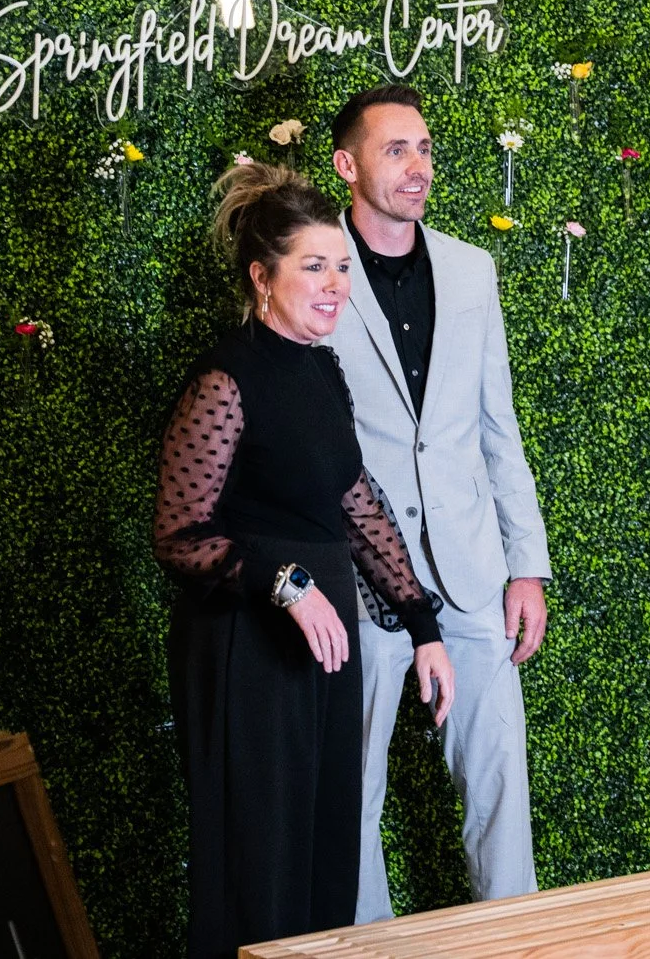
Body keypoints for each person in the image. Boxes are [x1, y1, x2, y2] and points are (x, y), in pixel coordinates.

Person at [155, 162, 457, 959]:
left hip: (324, 644)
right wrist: (285, 584)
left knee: (326, 848)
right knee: (259, 863)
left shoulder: (323, 367)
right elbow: (180, 534)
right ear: (263, 276)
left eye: (343, 267)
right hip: (246, 652)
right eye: (313, 266)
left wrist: (423, 625)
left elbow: (355, 503)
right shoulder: (225, 378)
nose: (334, 286)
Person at [322, 84, 554, 922]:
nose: (417, 165)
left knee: (499, 782)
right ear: (347, 165)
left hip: (472, 570)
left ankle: (515, 939)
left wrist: (526, 566)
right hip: (362, 582)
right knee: (351, 794)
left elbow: (498, 426)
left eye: (423, 148)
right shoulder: (317, 270)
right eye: (396, 149)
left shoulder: (471, 269)